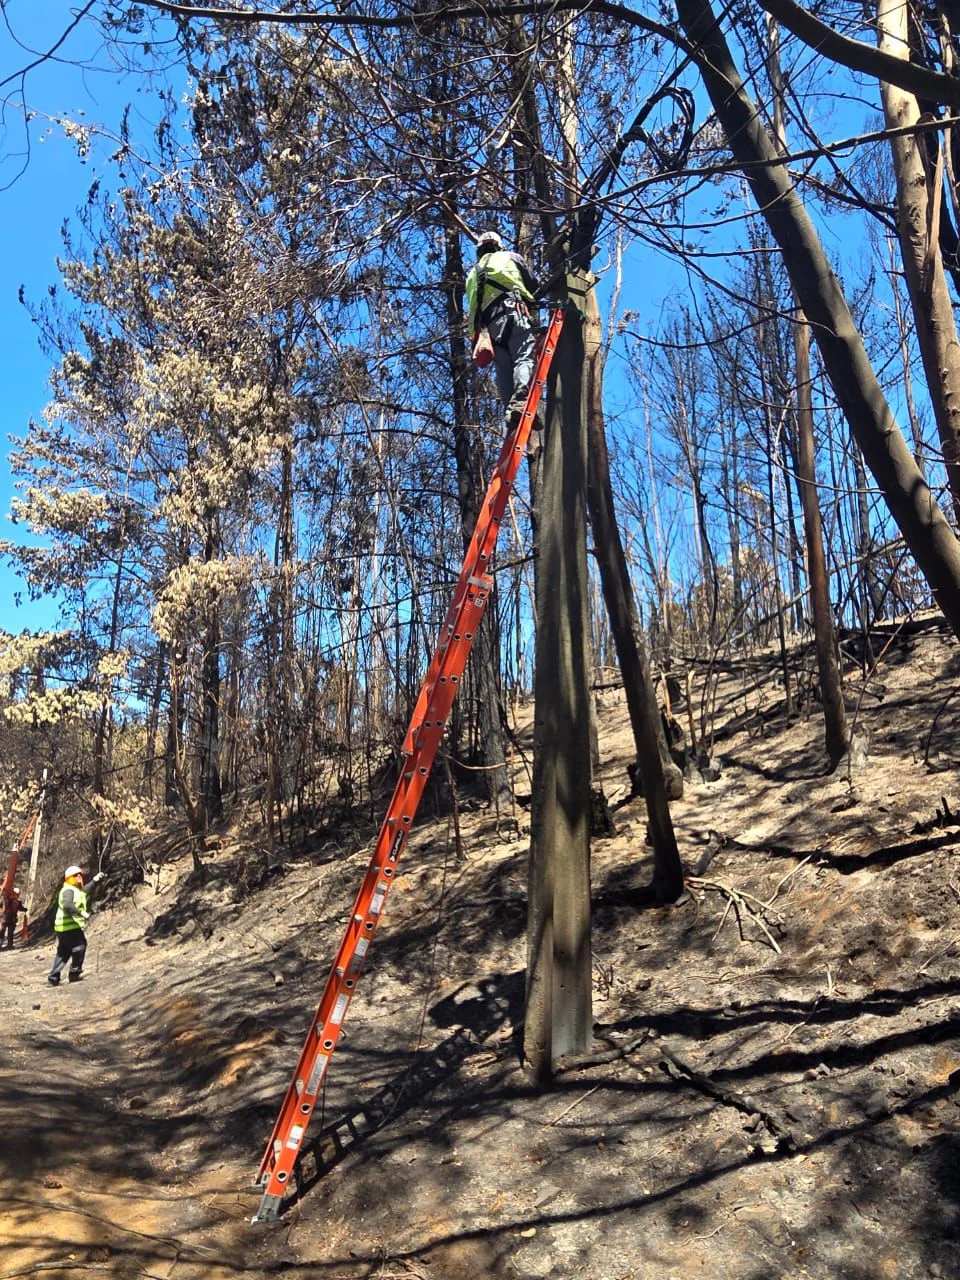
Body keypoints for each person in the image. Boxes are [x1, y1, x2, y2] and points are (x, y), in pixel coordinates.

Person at [465, 229, 541, 426]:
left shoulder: (472, 274)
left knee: (504, 369)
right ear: (498, 245)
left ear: (479, 251)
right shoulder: (509, 257)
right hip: (514, 312)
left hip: (489, 329)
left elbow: (473, 307)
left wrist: (476, 338)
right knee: (524, 357)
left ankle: (511, 412)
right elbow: (533, 285)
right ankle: (519, 403)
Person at [48, 865, 90, 985]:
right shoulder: (68, 890)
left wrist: (96, 881)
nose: (79, 877)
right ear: (70, 878)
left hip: (63, 927)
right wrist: (82, 913)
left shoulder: (74, 889)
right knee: (79, 946)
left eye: (80, 875)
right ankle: (74, 973)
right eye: (76, 875)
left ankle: (53, 978)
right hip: (69, 927)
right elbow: (67, 905)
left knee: (63, 952)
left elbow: (85, 891)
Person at [1, 884, 26, 949]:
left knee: (2, 932)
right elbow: (21, 908)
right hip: (12, 919)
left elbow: (1, 905)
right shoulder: (18, 901)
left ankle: (0, 944)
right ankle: (9, 945)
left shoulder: (7, 899)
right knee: (10, 933)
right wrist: (25, 909)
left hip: (4, 918)